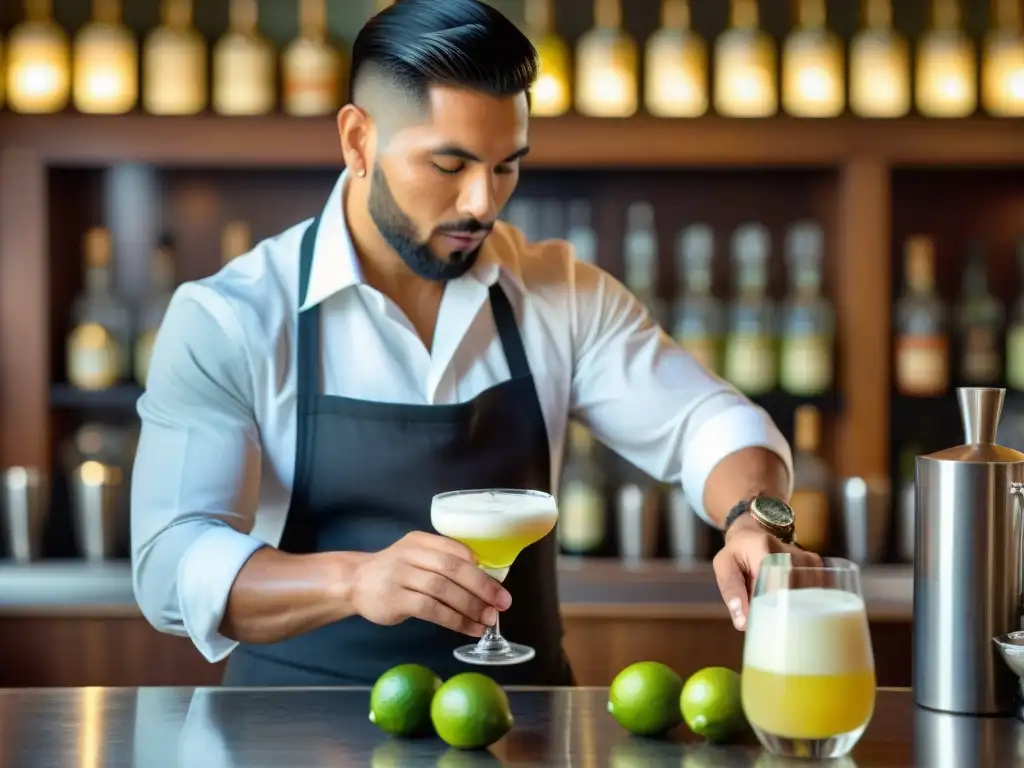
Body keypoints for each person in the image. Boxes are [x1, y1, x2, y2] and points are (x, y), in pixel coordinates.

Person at [130, 0, 820, 688]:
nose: (481, 204)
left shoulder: (560, 292)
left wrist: (751, 520)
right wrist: (354, 580)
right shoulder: (232, 317)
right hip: (290, 736)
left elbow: (711, 423)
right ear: (358, 140)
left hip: (523, 732)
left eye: (506, 166)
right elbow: (171, 562)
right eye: (449, 164)